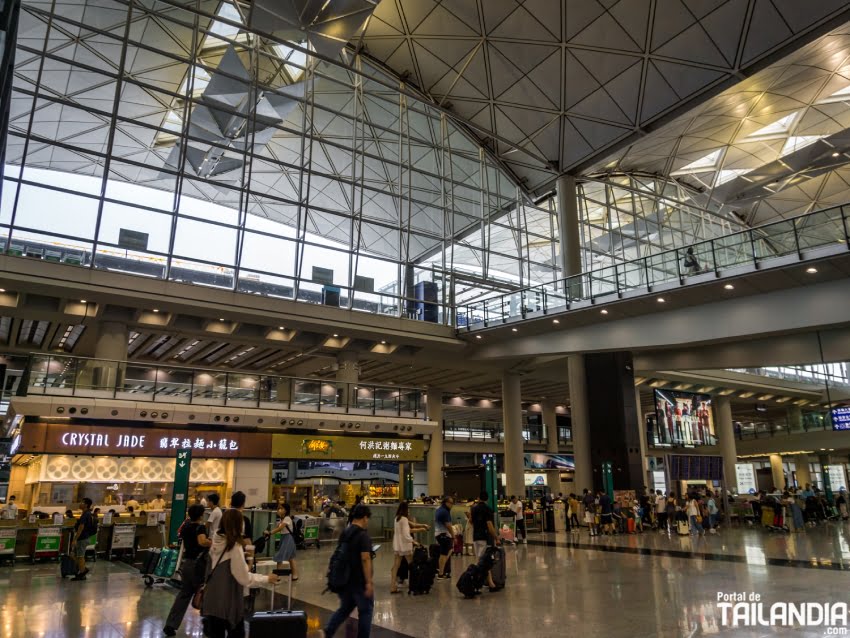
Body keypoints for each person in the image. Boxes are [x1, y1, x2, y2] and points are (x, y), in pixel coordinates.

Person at [201, 509, 279, 638]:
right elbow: (243, 578)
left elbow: (219, 563)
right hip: (228, 602)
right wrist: (266, 578)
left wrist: (240, 557)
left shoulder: (215, 539)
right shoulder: (234, 547)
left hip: (211, 600)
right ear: (238, 525)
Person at [322, 505, 374, 638]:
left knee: (344, 609)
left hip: (344, 579)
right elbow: (365, 559)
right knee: (366, 611)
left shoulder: (346, 532)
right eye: (367, 518)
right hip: (359, 580)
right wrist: (368, 582)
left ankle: (327, 631)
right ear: (364, 517)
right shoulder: (363, 536)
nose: (367, 521)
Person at [164, 504, 211, 636]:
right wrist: (212, 542)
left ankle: (171, 624)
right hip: (199, 565)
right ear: (201, 515)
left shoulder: (185, 526)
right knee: (204, 593)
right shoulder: (200, 527)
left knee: (184, 594)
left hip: (187, 564)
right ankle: (208, 625)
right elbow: (202, 542)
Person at [470, 491, 501, 591]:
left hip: (475, 537)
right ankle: (480, 583)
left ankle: (488, 583)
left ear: (478, 498)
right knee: (483, 562)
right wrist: (496, 537)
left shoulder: (473, 509)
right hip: (484, 537)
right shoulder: (488, 510)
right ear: (487, 499)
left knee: (480, 561)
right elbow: (489, 525)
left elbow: (471, 521)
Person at [265, 503, 298, 580]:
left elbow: (279, 529)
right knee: (291, 558)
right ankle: (295, 575)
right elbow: (277, 528)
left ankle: (277, 575)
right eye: (279, 508)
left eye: (281, 508)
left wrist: (270, 533)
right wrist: (269, 531)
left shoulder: (287, 518)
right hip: (285, 538)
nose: (279, 510)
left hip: (288, 538)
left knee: (280, 556)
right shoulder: (282, 519)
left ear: (286, 510)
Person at [390, 501, 417, 594]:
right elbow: (406, 534)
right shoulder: (404, 519)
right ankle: (414, 584)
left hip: (397, 545)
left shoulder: (397, 518)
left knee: (395, 566)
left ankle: (392, 586)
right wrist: (414, 541)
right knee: (411, 565)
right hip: (405, 546)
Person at [71, 498, 96, 581]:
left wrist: (75, 539)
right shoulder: (88, 514)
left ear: (86, 505)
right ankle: (83, 571)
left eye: (82, 502)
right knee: (77, 555)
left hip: (82, 538)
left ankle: (82, 572)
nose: (80, 503)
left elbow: (81, 528)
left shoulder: (85, 515)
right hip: (85, 537)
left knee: (80, 556)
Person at [433, 496, 455, 578]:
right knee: (443, 554)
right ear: (446, 503)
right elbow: (448, 525)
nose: (452, 505)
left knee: (449, 551)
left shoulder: (439, 509)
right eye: (451, 503)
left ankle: (441, 569)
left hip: (439, 534)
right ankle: (440, 573)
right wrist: (453, 536)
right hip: (443, 534)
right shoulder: (444, 512)